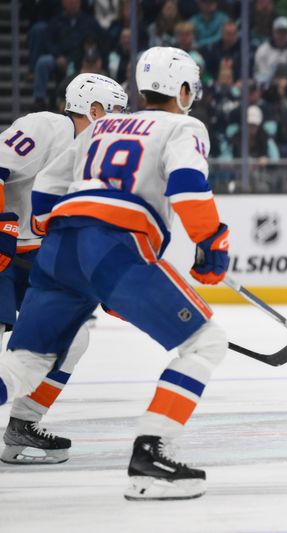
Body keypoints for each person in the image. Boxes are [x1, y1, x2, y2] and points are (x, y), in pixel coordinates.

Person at [0, 47, 230, 501]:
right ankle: (152, 456)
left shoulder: (100, 126)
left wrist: (61, 235)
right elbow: (187, 186)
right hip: (116, 246)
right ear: (183, 90)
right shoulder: (185, 125)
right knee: (205, 342)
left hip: (61, 250)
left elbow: (46, 186)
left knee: (26, 361)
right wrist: (213, 242)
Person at [0, 73, 128, 465]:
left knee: (72, 337)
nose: (122, 122)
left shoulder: (99, 159)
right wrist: (1, 222)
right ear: (93, 110)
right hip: (4, 250)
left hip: (36, 258)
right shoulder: (47, 127)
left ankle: (22, 427)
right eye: (116, 112)